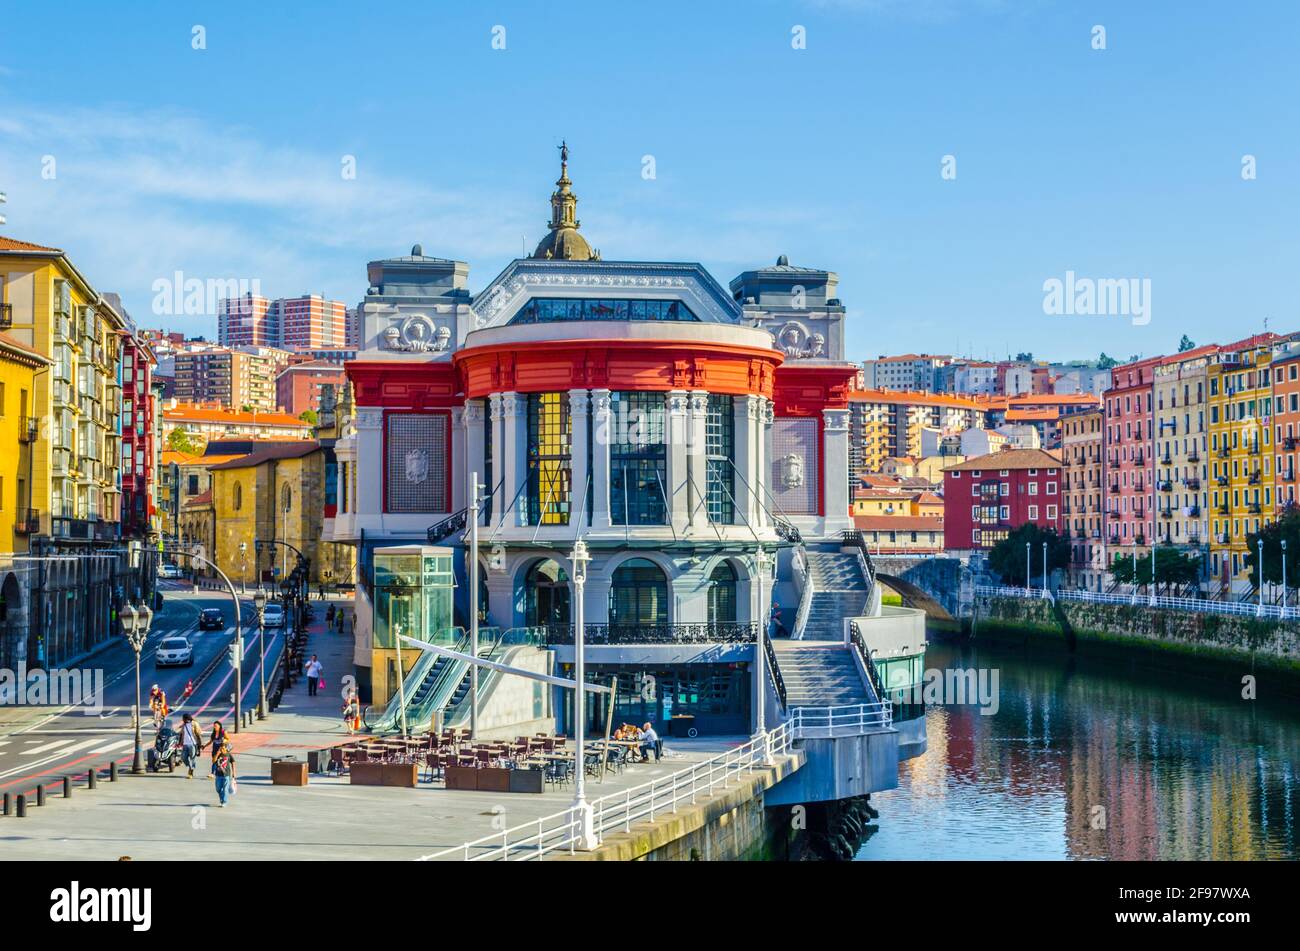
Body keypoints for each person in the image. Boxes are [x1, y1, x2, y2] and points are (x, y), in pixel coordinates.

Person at [212, 739, 237, 807]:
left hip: (226, 775)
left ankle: (224, 801)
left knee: (225, 789)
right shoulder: (218, 754)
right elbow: (214, 761)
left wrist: (234, 773)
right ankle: (222, 798)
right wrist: (217, 754)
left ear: (226, 748)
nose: (222, 749)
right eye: (221, 748)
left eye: (223, 748)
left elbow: (233, 763)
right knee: (218, 789)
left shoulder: (228, 755)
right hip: (218, 775)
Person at [179, 713, 203, 778]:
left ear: (186, 718)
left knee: (192, 758)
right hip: (185, 744)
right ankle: (190, 766)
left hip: (193, 744)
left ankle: (191, 771)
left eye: (183, 718)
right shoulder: (184, 725)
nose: (182, 719)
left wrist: (200, 744)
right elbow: (181, 733)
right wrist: (180, 743)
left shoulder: (194, 724)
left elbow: (198, 733)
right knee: (183, 757)